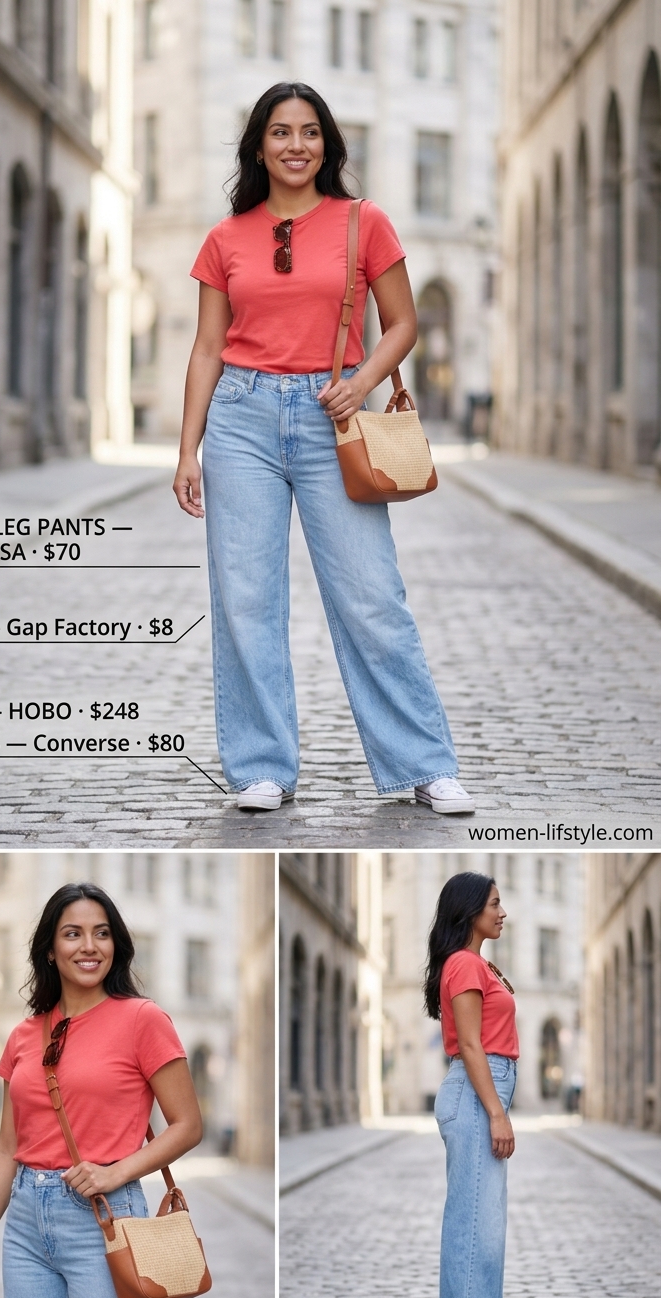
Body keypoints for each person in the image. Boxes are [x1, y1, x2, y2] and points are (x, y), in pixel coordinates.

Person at [173, 80, 474, 816]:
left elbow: (403, 324)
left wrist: (361, 381)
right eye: (281, 132)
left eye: (310, 132)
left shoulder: (363, 222)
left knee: (372, 597)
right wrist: (187, 450)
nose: (296, 145)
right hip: (240, 421)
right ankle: (260, 769)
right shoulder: (225, 238)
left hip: (330, 419)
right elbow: (207, 348)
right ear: (258, 147)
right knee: (246, 601)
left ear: (328, 145)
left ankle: (424, 764)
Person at [0, 882, 203, 1298]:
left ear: (116, 944)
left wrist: (116, 1172)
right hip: (26, 1226)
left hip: (105, 1219)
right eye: (73, 934)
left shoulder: (143, 1019)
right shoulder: (24, 1035)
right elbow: (6, 1150)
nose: (89, 946)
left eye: (101, 933)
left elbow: (188, 1125)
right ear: (50, 949)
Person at [423, 872, 524, 1298]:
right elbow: (469, 1044)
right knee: (473, 1219)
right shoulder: (464, 963)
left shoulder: (474, 962)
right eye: (494, 904)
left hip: (481, 1090)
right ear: (469, 911)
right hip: (476, 1094)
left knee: (486, 1218)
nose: (502, 913)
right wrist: (496, 1114)